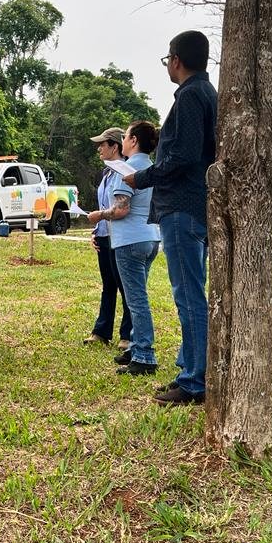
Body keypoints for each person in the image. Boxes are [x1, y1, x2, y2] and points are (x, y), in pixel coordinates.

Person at [123, 31, 217, 404]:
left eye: (167, 60)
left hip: (183, 208)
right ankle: (189, 368)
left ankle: (194, 381)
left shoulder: (192, 96)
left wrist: (140, 177)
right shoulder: (205, 94)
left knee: (189, 295)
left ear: (176, 59)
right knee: (192, 292)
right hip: (196, 206)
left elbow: (183, 157)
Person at [89, 121, 161, 376]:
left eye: (127, 135)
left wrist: (100, 215)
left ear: (132, 141)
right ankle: (134, 347)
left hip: (130, 240)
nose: (125, 139)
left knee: (136, 299)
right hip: (151, 238)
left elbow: (121, 208)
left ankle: (144, 355)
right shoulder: (152, 168)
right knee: (136, 296)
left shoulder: (127, 168)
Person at [83, 127, 132, 350]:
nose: (99, 149)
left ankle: (127, 335)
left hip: (120, 237)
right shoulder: (106, 173)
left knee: (125, 286)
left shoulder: (125, 171)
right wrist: (96, 231)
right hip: (104, 236)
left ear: (115, 146)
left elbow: (121, 207)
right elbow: (104, 205)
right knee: (108, 285)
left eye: (103, 144)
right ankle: (102, 331)